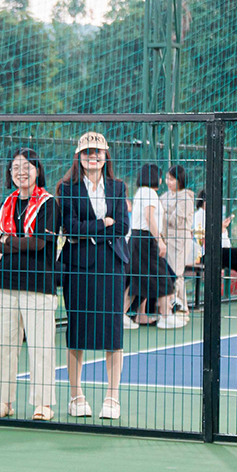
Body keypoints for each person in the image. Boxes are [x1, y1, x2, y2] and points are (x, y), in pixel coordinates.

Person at [56, 131, 130, 419]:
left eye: (98, 152)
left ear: (106, 155)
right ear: (79, 156)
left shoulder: (118, 187)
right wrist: (103, 223)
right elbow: (70, 227)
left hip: (112, 265)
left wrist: (93, 229)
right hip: (79, 267)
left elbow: (122, 226)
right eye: (87, 152)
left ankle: (113, 397)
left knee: (113, 333)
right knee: (78, 331)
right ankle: (76, 396)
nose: (93, 157)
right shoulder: (67, 188)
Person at [0, 148, 60, 421]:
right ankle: (3, 401)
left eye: (27, 166)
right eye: (15, 167)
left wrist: (8, 240)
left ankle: (43, 404)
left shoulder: (48, 204)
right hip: (4, 282)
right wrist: (16, 242)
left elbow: (39, 243)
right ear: (10, 173)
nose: (21, 172)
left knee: (41, 346)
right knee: (4, 346)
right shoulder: (6, 204)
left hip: (38, 284)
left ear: (37, 170)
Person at [126, 164, 183, 329]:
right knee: (162, 276)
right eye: (160, 177)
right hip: (145, 239)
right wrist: (160, 241)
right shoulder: (149, 193)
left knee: (139, 280)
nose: (161, 180)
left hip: (139, 238)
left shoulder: (141, 192)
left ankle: (125, 315)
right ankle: (166, 316)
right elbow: (149, 217)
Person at [161, 165, 199, 313]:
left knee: (176, 272)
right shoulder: (166, 195)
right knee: (169, 272)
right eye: (167, 179)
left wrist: (161, 213)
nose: (168, 182)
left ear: (180, 180)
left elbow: (175, 220)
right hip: (165, 238)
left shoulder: (185, 198)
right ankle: (178, 305)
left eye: (171, 179)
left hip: (179, 239)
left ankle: (179, 305)